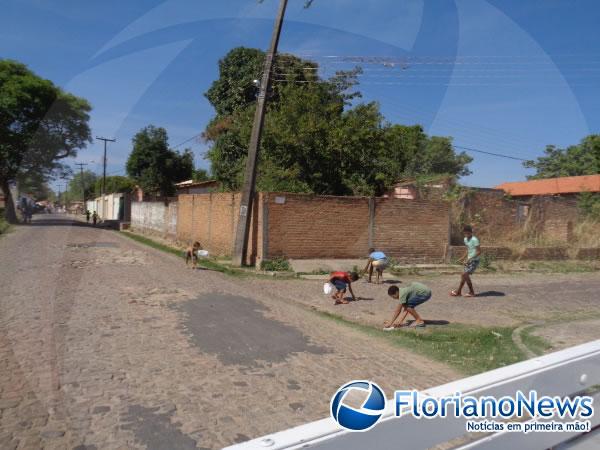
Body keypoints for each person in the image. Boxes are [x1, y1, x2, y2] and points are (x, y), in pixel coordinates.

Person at [451, 225, 481, 298]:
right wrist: (462, 258)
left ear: (471, 232)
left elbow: (479, 251)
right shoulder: (465, 239)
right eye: (465, 233)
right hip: (469, 260)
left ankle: (471, 292)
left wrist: (469, 259)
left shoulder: (475, 240)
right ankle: (459, 292)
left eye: (468, 233)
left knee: (464, 274)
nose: (466, 234)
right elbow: (468, 250)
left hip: (474, 260)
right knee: (464, 276)